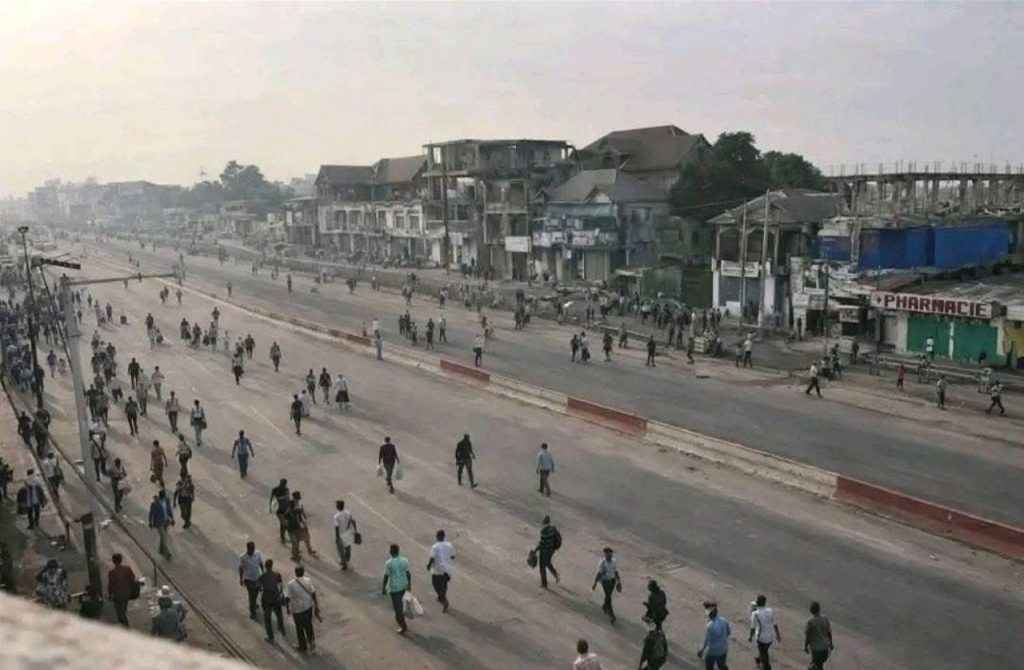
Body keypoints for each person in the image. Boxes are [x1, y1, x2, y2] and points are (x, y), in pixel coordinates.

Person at [284, 565, 320, 653]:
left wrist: (287, 608)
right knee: (308, 625)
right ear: (303, 572)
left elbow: (287, 597)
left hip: (297, 610)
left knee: (299, 628)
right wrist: (316, 605)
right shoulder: (308, 580)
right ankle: (312, 643)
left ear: (295, 573)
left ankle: (303, 646)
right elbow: (313, 593)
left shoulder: (290, 584)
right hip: (308, 607)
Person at [381, 543, 411, 634]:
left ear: (391, 551)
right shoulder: (404, 560)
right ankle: (403, 622)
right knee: (402, 605)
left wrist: (383, 587)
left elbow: (386, 576)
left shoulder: (388, 563)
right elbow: (408, 573)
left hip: (395, 588)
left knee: (397, 609)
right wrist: (409, 585)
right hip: (404, 585)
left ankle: (403, 626)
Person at [749, 594, 781, 670]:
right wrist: (778, 635)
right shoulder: (770, 611)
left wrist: (750, 636)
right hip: (770, 636)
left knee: (764, 654)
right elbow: (775, 624)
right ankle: (759, 658)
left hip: (761, 637)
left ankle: (766, 667)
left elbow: (752, 627)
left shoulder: (755, 614)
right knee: (764, 650)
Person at [259, 558, 287, 644]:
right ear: (271, 566)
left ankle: (271, 637)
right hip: (275, 597)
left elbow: (259, 586)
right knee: (279, 614)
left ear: (265, 566)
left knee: (267, 618)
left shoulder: (262, 576)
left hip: (266, 599)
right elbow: (281, 584)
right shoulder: (277, 574)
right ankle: (281, 628)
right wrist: (281, 593)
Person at [427, 529, 455, 612]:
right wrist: (447, 560)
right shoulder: (449, 545)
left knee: (435, 584)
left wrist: (428, 565)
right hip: (447, 569)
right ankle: (441, 597)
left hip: (437, 569)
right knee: (444, 584)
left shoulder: (435, 546)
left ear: (437, 536)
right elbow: (453, 556)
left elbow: (432, 557)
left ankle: (443, 599)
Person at [698, 602, 731, 670]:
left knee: (709, 665)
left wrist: (702, 650)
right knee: (721, 665)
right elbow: (728, 632)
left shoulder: (709, 626)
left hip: (713, 651)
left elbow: (707, 640)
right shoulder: (723, 620)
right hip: (723, 649)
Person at [592, 547, 621, 623]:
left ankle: (605, 606)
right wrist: (595, 583)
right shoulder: (602, 562)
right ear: (605, 554)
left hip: (612, 581)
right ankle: (612, 615)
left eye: (610, 554)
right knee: (608, 597)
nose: (609, 556)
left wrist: (619, 581)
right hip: (605, 581)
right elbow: (599, 573)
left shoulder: (614, 561)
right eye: (607, 554)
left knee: (608, 596)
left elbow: (616, 571)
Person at [107, 553, 137, 627]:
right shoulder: (127, 569)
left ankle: (125, 626)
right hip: (127, 593)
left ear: (113, 561)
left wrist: (110, 595)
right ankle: (123, 624)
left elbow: (111, 585)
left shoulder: (112, 573)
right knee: (123, 609)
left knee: (120, 611)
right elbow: (132, 578)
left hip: (118, 595)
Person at [286, 491, 317, 560]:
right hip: (296, 528)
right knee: (300, 540)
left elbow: (300, 514)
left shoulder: (291, 510)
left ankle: (297, 554)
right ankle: (296, 554)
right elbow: (299, 517)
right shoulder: (295, 509)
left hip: (295, 528)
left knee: (298, 541)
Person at [239, 541, 264, 621]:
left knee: (256, 593)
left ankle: (253, 603)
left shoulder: (257, 553)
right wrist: (241, 578)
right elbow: (241, 568)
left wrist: (262, 574)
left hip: (257, 578)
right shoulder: (243, 557)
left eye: (253, 549)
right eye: (251, 549)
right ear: (248, 549)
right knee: (251, 595)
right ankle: (252, 613)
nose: (252, 551)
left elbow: (260, 564)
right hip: (249, 579)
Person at [804, 601, 834, 669]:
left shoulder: (810, 622)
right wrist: (831, 644)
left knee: (814, 666)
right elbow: (829, 633)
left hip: (816, 649)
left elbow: (808, 636)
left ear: (811, 610)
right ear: (819, 609)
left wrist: (805, 646)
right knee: (819, 665)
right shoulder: (825, 618)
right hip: (825, 649)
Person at [536, 515, 561, 588]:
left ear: (543, 522)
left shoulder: (544, 531)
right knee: (547, 563)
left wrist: (535, 551)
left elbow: (541, 543)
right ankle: (556, 574)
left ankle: (544, 584)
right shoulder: (553, 529)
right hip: (551, 550)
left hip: (544, 551)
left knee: (542, 567)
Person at [148, 489, 174, 558]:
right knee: (163, 537)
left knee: (164, 537)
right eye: (162, 497)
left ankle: (161, 549)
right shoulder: (154, 504)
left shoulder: (167, 500)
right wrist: (150, 522)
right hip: (159, 523)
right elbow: (151, 514)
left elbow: (169, 510)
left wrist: (172, 518)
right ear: (160, 496)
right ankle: (167, 552)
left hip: (166, 522)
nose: (163, 498)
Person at [333, 500, 357, 571]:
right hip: (348, 532)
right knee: (348, 547)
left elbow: (337, 528)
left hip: (341, 533)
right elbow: (353, 521)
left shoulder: (336, 516)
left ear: (338, 506)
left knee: (340, 549)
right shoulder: (348, 513)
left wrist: (337, 538)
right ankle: (347, 558)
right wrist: (355, 531)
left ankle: (344, 563)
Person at [271, 478, 290, 543]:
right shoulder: (275, 490)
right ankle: (282, 537)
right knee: (284, 523)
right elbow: (272, 499)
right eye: (282, 484)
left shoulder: (286, 490)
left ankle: (282, 536)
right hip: (278, 509)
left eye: (284, 484)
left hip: (285, 509)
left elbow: (288, 499)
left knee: (283, 523)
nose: (283, 485)